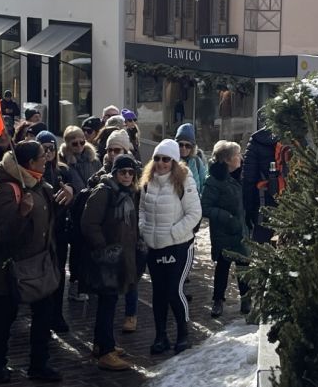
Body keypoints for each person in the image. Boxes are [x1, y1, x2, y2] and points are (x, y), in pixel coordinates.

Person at [0, 142, 62, 384]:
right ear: (30, 163)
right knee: (4, 319)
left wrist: (63, 199)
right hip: (11, 269)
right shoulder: (8, 190)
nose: (47, 158)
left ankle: (39, 364)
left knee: (43, 316)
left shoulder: (38, 183)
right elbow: (2, 233)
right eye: (42, 155)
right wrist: (21, 214)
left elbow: (47, 220)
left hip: (40, 264)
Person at [139, 139, 202, 355]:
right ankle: (161, 336)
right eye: (157, 158)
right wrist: (144, 230)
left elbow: (195, 214)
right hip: (155, 246)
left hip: (178, 246)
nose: (161, 163)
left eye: (166, 159)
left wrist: (173, 232)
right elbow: (142, 209)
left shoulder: (184, 181)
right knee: (158, 293)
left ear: (174, 161)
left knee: (174, 290)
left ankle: (183, 333)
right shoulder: (148, 181)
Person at [81, 154, 140, 371]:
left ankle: (102, 344)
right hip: (107, 259)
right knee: (107, 302)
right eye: (122, 172)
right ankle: (105, 352)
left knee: (110, 301)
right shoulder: (104, 192)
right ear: (114, 173)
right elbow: (89, 223)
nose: (126, 176)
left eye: (130, 172)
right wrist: (104, 248)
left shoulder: (127, 193)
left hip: (120, 257)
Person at [202, 141, 251, 318]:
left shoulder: (242, 175)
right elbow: (205, 207)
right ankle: (218, 301)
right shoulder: (215, 180)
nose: (241, 158)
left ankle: (246, 300)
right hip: (223, 231)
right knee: (222, 266)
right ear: (228, 159)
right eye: (237, 155)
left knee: (244, 265)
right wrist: (226, 217)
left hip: (240, 229)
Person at [35, 131, 75, 334]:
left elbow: (77, 193)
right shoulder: (32, 173)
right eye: (44, 149)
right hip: (39, 235)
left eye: (51, 148)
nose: (49, 152)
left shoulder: (63, 171)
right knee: (42, 276)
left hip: (59, 232)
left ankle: (56, 315)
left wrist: (70, 192)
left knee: (58, 275)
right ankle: (42, 316)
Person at [242, 126, 278, 243]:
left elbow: (248, 180)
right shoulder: (302, 135)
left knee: (264, 252)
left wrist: (248, 211)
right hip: (298, 209)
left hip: (264, 208)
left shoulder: (258, 139)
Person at [60, 126, 102, 195]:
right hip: (74, 203)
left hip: (93, 200)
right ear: (67, 144)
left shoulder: (93, 159)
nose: (79, 146)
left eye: (82, 142)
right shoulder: (63, 162)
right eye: (74, 144)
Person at [175, 123, 207, 197]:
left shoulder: (197, 161)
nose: (184, 148)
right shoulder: (170, 160)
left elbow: (204, 182)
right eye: (181, 145)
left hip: (194, 202)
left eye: (188, 146)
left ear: (192, 147)